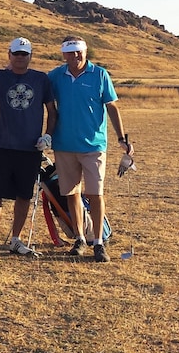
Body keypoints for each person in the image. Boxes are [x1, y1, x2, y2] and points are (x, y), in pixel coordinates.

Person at [0, 37, 57, 258]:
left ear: (30, 56)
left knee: (24, 195)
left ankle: (16, 240)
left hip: (30, 149)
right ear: (9, 55)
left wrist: (48, 135)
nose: (20, 58)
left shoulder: (41, 79)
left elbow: (52, 112)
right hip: (3, 146)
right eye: (16, 54)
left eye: (24, 54)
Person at [47, 35, 131, 263]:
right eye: (70, 52)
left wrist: (121, 138)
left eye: (78, 52)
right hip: (64, 145)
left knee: (95, 194)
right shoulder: (55, 76)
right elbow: (41, 96)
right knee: (72, 193)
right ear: (63, 54)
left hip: (94, 145)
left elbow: (112, 107)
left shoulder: (100, 74)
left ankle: (98, 243)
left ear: (85, 52)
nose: (75, 56)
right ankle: (80, 239)